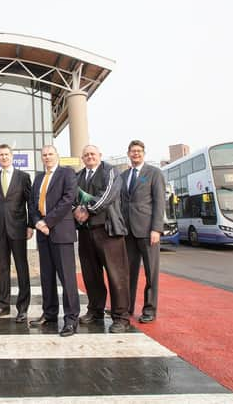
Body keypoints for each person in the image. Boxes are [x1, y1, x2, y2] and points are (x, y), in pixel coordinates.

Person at [73, 145, 131, 333]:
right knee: (91, 275)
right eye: (86, 154)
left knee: (117, 276)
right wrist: (76, 210)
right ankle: (95, 310)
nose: (89, 157)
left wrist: (87, 210)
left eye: (93, 154)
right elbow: (73, 198)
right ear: (82, 158)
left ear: (100, 156)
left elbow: (108, 195)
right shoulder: (78, 176)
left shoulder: (111, 171)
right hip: (86, 232)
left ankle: (121, 317)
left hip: (108, 232)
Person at [28, 144, 80, 337]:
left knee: (67, 278)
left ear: (57, 156)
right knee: (47, 276)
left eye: (50, 154)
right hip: (43, 233)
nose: (47, 157)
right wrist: (37, 223)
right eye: (44, 155)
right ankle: (49, 313)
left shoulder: (67, 174)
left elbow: (68, 200)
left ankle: (71, 319)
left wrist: (47, 222)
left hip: (60, 232)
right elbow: (32, 203)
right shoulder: (39, 178)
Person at [120, 140, 165, 323]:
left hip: (147, 231)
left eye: (138, 151)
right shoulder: (123, 175)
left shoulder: (154, 173)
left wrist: (156, 228)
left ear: (143, 153)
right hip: (128, 232)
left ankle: (149, 309)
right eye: (132, 151)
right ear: (128, 154)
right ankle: (127, 307)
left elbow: (160, 202)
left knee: (150, 272)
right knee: (128, 272)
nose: (135, 154)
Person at [0, 144, 32, 323]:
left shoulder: (23, 177)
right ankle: (3, 305)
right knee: (3, 268)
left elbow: (31, 202)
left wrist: (30, 226)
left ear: (12, 156)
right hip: (0, 230)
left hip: (19, 228)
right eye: (1, 155)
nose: (4, 157)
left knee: (22, 268)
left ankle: (22, 308)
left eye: (7, 154)